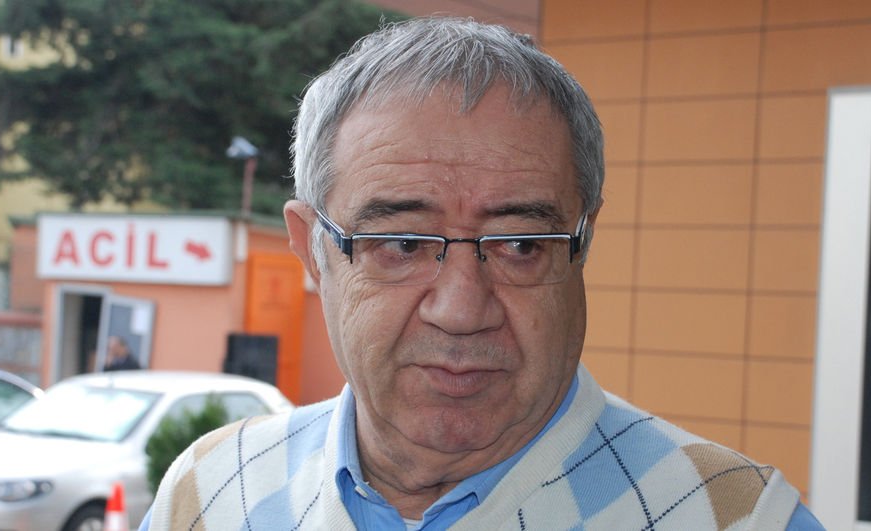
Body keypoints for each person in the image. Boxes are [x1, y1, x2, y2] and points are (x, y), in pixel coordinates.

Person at [142, 17, 823, 530]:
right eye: (402, 242)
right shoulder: (208, 495)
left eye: (521, 243)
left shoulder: (736, 517)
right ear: (312, 250)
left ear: (582, 243)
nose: (462, 309)